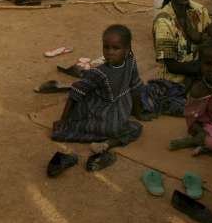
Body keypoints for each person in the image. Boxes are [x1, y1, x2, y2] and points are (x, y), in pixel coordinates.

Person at [52, 25, 152, 154]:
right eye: (106, 47)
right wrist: (64, 119)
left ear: (127, 50)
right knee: (134, 128)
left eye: (116, 48)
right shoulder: (100, 72)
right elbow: (75, 93)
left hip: (114, 112)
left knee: (127, 127)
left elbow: (136, 88)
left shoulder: (128, 63)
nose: (110, 52)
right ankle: (109, 142)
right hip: (108, 114)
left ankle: (107, 142)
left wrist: (138, 112)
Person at [153, 0, 211, 86]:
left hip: (203, 73)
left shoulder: (200, 11)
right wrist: (208, 70)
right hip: (173, 82)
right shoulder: (164, 21)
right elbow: (172, 66)